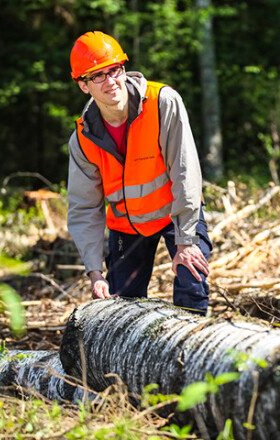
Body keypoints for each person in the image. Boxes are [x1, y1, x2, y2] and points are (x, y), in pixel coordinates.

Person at [66, 31, 211, 316]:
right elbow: (84, 208)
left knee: (191, 284)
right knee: (123, 310)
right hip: (126, 227)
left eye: (115, 69)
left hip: (175, 214)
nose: (111, 81)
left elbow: (185, 172)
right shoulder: (83, 138)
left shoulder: (162, 102)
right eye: (98, 76)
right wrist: (95, 272)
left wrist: (185, 242)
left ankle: (188, 356)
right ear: (83, 85)